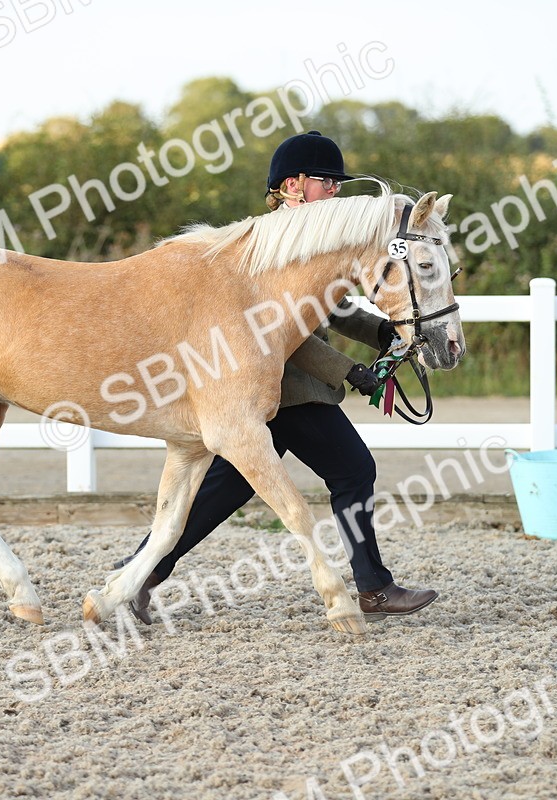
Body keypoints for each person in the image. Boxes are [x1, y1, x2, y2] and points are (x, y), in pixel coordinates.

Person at [118, 130, 438, 624]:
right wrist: (348, 370)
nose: (334, 190)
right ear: (292, 185)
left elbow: (330, 306)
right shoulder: (266, 244)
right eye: (325, 181)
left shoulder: (315, 239)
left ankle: (138, 574)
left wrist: (384, 332)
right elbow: (271, 332)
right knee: (352, 470)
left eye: (336, 182)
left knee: (224, 488)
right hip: (279, 388)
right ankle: (374, 588)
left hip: (283, 392)